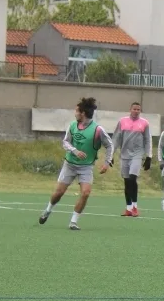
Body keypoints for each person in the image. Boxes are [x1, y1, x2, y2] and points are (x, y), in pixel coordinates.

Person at [39, 97, 114, 231]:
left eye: (76, 111)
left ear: (83, 113)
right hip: (70, 164)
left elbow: (110, 145)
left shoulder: (98, 130)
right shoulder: (73, 126)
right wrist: (75, 151)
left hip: (86, 167)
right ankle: (48, 210)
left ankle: (73, 222)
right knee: (59, 192)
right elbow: (65, 142)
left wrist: (107, 162)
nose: (75, 114)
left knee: (85, 193)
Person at [111, 102, 152, 217]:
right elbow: (116, 139)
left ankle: (135, 206)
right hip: (124, 155)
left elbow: (148, 140)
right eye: (134, 109)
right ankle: (128, 208)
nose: (136, 111)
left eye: (138, 109)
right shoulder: (122, 121)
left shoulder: (144, 123)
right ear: (130, 109)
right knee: (126, 181)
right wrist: (111, 154)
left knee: (133, 178)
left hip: (137, 155)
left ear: (140, 111)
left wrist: (149, 156)